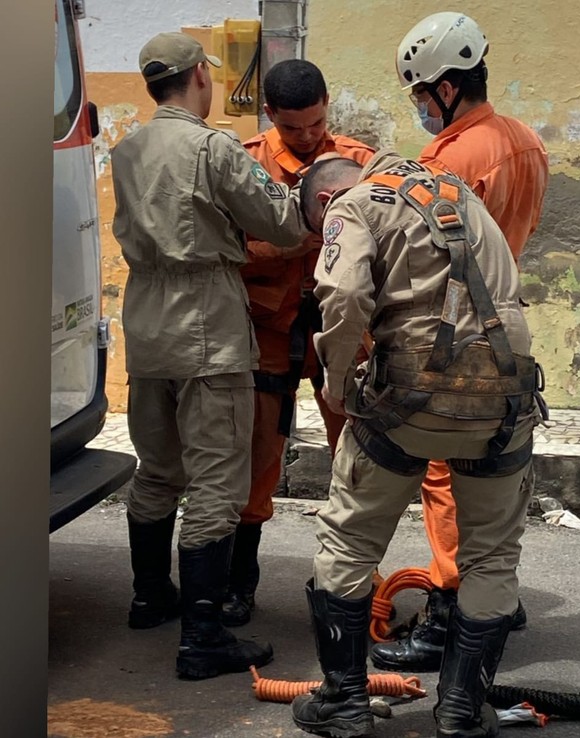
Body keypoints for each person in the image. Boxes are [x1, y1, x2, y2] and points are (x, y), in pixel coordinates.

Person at [290, 152, 544, 738]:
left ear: (325, 202)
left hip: (406, 402)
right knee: (492, 555)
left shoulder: (351, 205)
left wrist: (334, 384)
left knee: (348, 541)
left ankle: (343, 705)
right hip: (504, 399)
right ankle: (459, 713)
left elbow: (345, 294)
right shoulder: (458, 191)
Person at [109, 32, 309, 681]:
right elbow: (278, 220)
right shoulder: (214, 147)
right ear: (200, 75)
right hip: (206, 323)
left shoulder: (128, 148)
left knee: (158, 468)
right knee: (219, 483)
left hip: (146, 321)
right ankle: (203, 639)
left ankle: (150, 596)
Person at [370, 11, 550, 674]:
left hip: (453, 337)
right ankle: (492, 595)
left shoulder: (447, 159)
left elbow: (422, 257)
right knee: (495, 471)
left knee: (443, 472)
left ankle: (449, 613)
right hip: (508, 330)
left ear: (446, 88)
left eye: (420, 94)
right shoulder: (526, 140)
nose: (420, 106)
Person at [220, 60, 374, 627]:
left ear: (328, 104)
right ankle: (239, 584)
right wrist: (296, 241)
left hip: (341, 332)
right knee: (256, 461)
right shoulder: (245, 162)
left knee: (358, 458)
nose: (307, 137)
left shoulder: (359, 162)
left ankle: (358, 586)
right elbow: (229, 251)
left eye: (315, 124)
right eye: (293, 129)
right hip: (268, 332)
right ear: (270, 117)